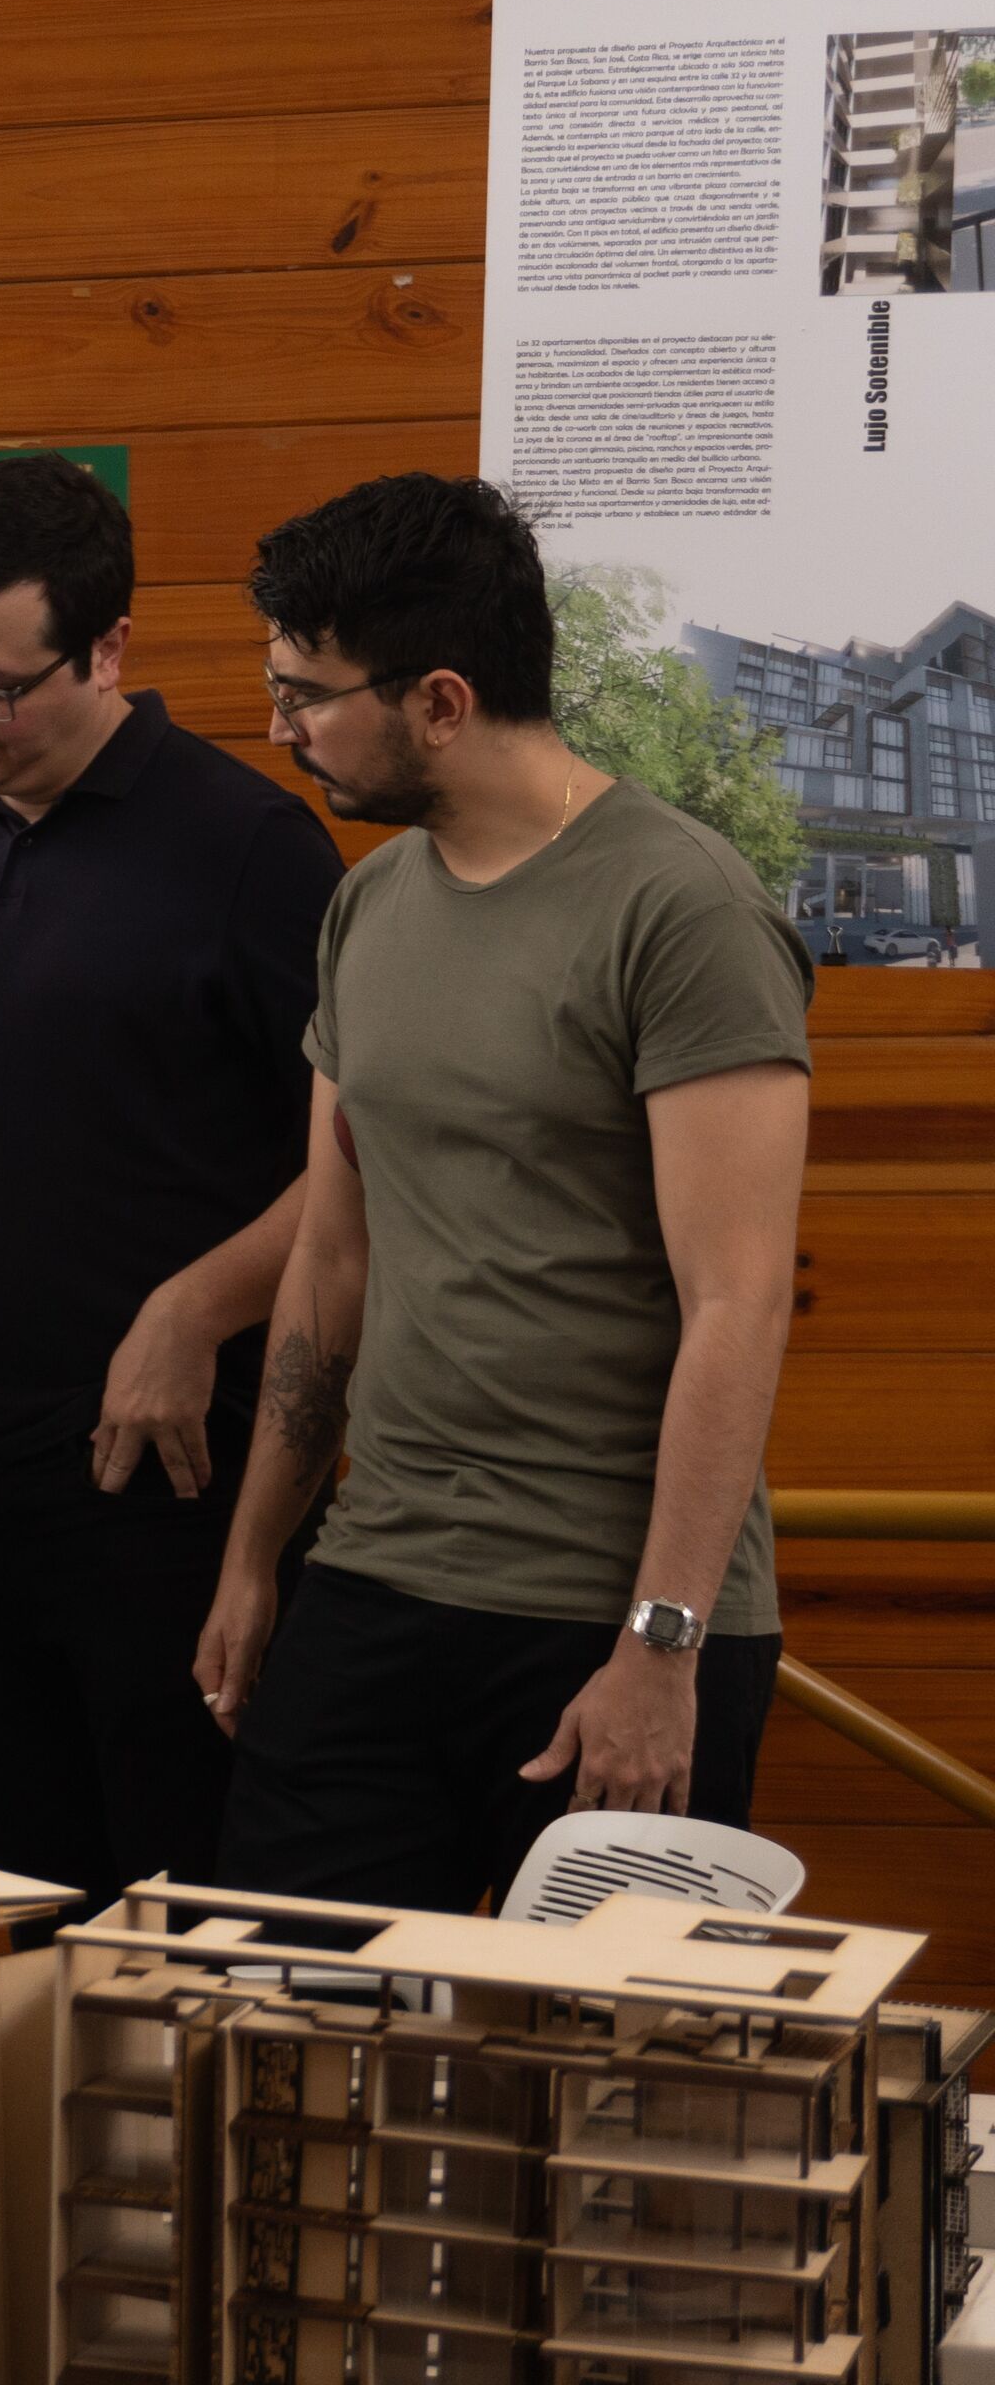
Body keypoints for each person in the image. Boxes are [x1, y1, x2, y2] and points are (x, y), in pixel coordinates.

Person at [197, 474, 811, 1914]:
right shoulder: (369, 903)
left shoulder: (684, 908)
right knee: (279, 2042)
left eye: (307, 693)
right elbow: (333, 1261)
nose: (279, 728)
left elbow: (739, 1300)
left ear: (444, 701)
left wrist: (661, 1645)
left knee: (596, 2105)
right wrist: (251, 1558)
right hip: (379, 1586)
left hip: (614, 1619)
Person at [0, 457, 341, 1923]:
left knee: (187, 1925)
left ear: (109, 649)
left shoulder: (251, 850)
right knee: (23, 1919)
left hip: (168, 1506)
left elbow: (371, 1171)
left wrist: (196, 1305)